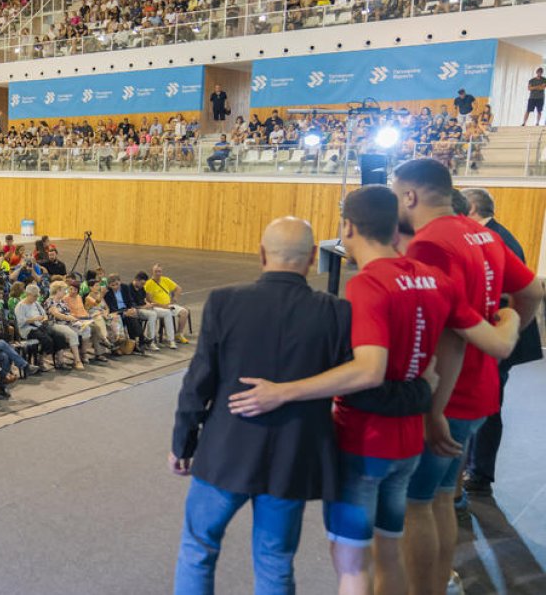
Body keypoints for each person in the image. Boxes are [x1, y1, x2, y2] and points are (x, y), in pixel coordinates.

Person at [226, 187, 522, 595]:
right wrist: (509, 316)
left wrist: (284, 391)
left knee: (352, 565)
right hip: (406, 444)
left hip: (365, 441)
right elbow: (489, 342)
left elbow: (369, 370)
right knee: (389, 551)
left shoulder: (368, 285)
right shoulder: (434, 279)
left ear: (347, 227)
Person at [171, 217, 354, 594]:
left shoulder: (224, 302)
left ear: (261, 254)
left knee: (198, 550)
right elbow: (348, 382)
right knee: (275, 562)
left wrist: (182, 444)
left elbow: (198, 381)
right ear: (312, 259)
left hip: (225, 454)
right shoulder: (337, 312)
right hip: (292, 459)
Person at [389, 159, 541, 595]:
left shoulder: (431, 245)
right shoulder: (484, 234)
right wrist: (503, 332)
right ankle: (439, 580)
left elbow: (447, 336)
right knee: (439, 496)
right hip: (479, 387)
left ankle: (424, 587)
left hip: (445, 397)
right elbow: (530, 292)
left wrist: (432, 409)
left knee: (416, 504)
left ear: (410, 196)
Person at [460, 188, 544, 498]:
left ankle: (480, 473)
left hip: (503, 338)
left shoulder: (498, 240)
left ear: (470, 209)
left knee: (489, 405)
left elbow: (519, 293)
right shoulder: (492, 235)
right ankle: (474, 467)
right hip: (500, 336)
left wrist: (503, 337)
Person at [143, 264, 190, 348]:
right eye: (156, 271)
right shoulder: (148, 284)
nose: (158, 273)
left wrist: (174, 299)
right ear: (152, 272)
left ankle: (179, 334)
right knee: (166, 312)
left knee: (184, 312)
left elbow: (178, 288)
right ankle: (159, 337)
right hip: (157, 306)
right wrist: (162, 306)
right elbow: (149, 300)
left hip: (169, 305)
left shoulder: (166, 280)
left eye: (159, 271)